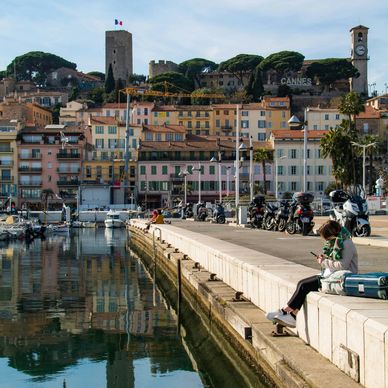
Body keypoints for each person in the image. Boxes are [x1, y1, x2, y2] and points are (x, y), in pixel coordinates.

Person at [266, 220, 358, 328]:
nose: (327, 241)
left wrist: (323, 262)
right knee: (301, 283)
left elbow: (343, 265)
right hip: (331, 274)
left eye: (327, 238)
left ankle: (286, 312)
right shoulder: (338, 241)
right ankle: (290, 314)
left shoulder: (347, 244)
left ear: (332, 234)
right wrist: (324, 259)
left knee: (305, 286)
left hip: (340, 278)